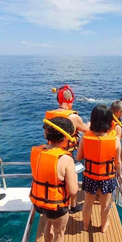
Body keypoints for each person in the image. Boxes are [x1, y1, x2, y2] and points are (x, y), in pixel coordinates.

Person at [30, 117, 78, 242]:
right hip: (57, 207)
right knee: (59, 232)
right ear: (65, 137)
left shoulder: (38, 152)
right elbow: (73, 190)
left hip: (41, 204)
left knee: (48, 225)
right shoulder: (65, 159)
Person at [76, 105, 122, 233]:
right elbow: (118, 162)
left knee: (88, 203)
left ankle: (85, 225)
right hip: (107, 178)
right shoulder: (115, 140)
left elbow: (79, 157)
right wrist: (119, 174)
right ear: (109, 121)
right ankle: (103, 226)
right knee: (105, 205)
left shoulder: (85, 138)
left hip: (90, 176)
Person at [45, 85, 89, 213]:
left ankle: (55, 202)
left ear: (58, 100)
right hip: (66, 154)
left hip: (51, 152)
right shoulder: (73, 117)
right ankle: (73, 206)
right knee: (72, 180)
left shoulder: (50, 115)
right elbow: (86, 130)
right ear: (71, 100)